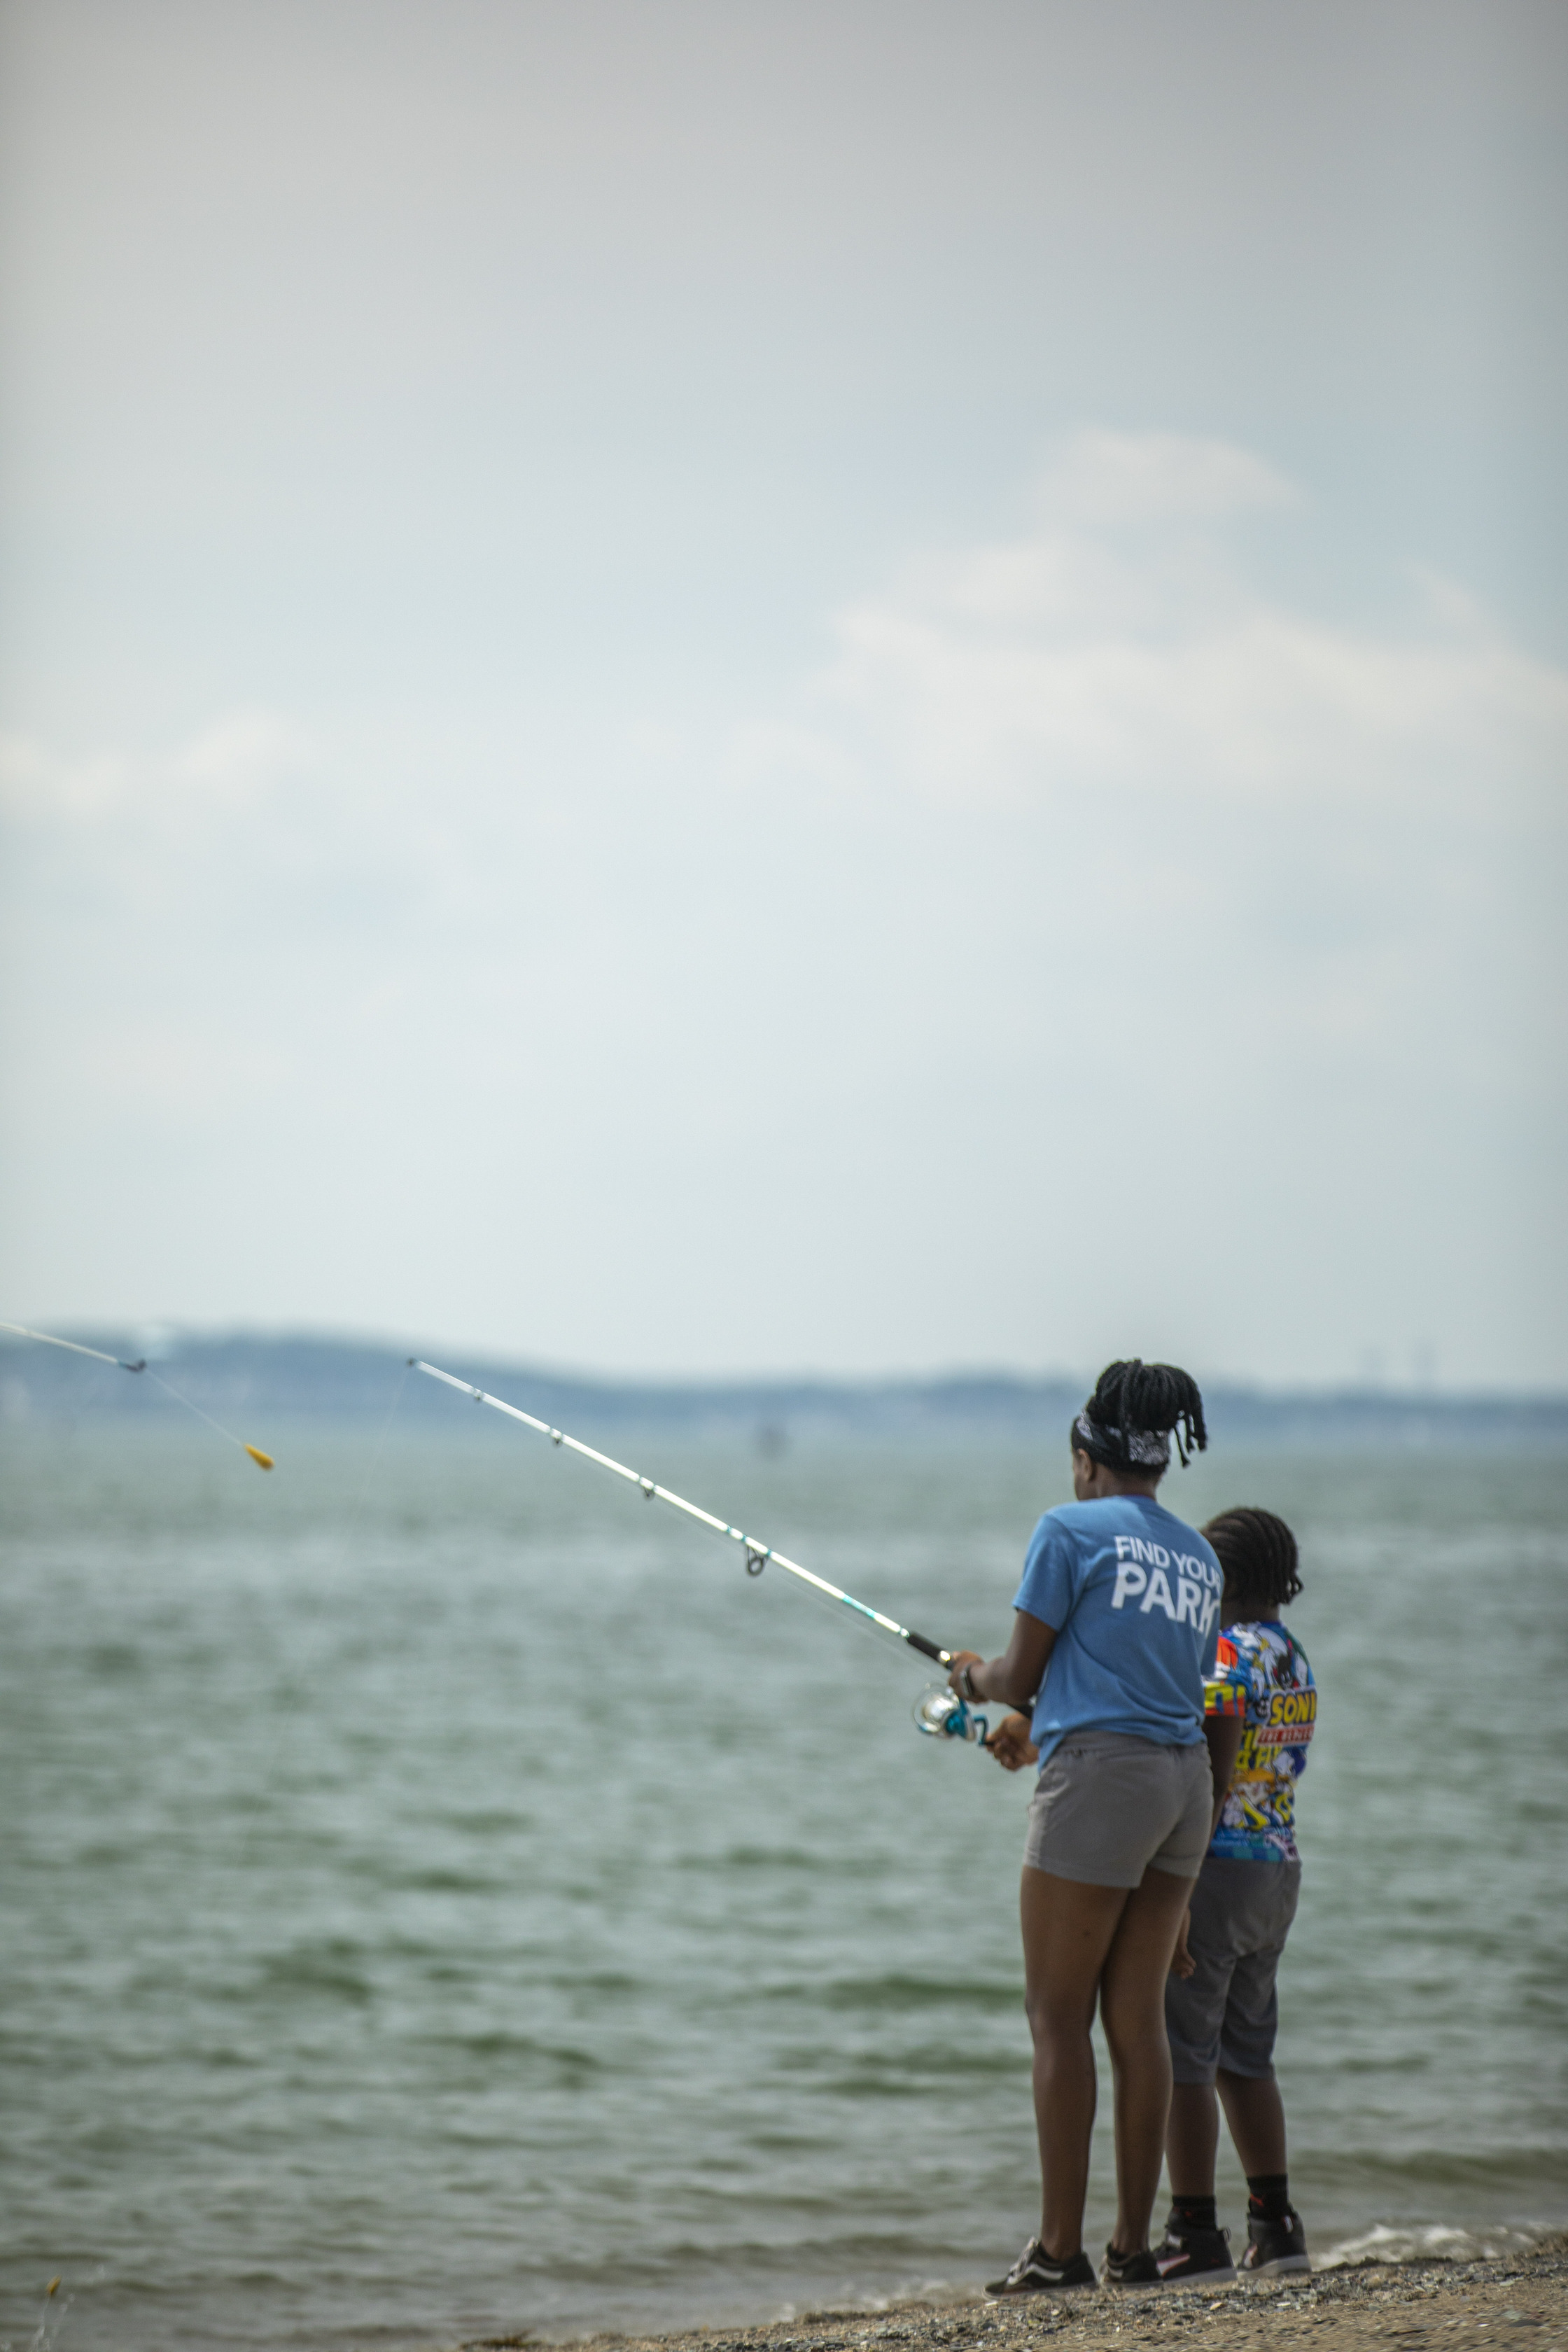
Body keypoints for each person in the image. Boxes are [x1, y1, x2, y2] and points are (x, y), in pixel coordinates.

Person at [947, 1359, 1224, 2295]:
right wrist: (1039, 1719)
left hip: (1105, 1785)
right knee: (1134, 2020)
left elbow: (1017, 1674)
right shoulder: (1200, 1555)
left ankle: (1059, 2254)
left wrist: (972, 1677)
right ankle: (1132, 2251)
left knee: (1056, 2018)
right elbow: (1148, 1681)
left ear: (1085, 1457)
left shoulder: (1065, 1530)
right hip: (1186, 1786)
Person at [1154, 1506, 1316, 2283]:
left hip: (1214, 1870)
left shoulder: (1219, 1656)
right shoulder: (1291, 1656)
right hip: (1277, 1868)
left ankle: (1192, 2233)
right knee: (1247, 2057)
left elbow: (1212, 1775)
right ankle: (1275, 2227)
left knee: (1184, 2056)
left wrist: (1175, 1883)